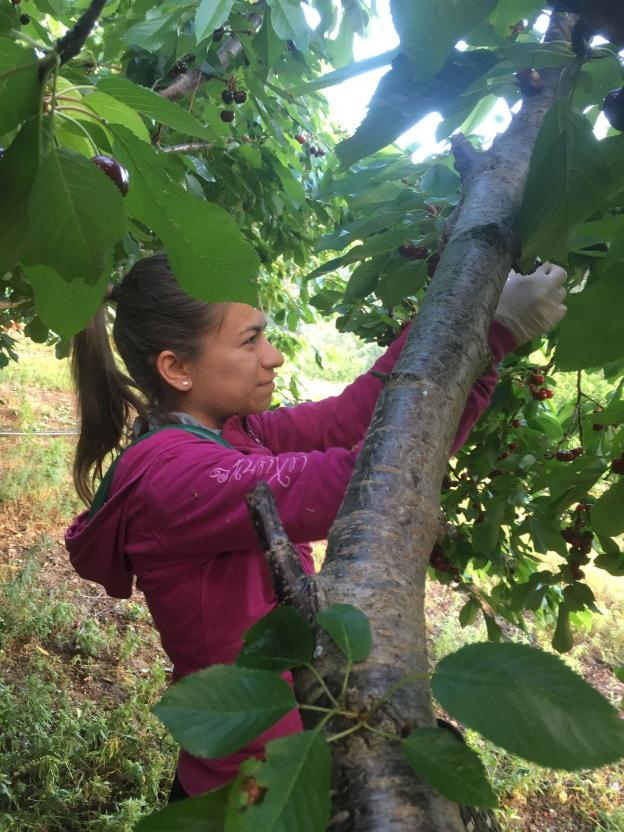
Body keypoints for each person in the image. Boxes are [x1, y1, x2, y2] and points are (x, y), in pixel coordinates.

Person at [65, 254, 567, 800]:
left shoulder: (233, 431)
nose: (273, 357)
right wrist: (495, 330)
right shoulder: (176, 475)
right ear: (176, 368)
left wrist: (468, 324)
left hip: (289, 758)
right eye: (250, 340)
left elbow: (352, 419)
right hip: (251, 789)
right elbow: (369, 478)